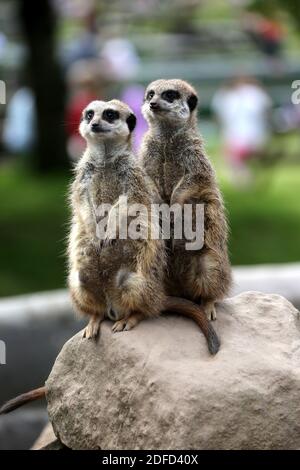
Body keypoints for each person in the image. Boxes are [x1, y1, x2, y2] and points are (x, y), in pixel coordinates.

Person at [212, 77, 272, 185]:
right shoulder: (254, 93)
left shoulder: (231, 96)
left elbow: (220, 117)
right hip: (250, 135)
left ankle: (245, 177)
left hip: (242, 136)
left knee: (231, 157)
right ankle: (246, 175)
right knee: (234, 157)